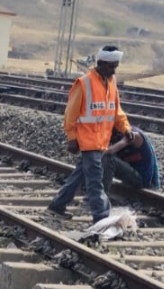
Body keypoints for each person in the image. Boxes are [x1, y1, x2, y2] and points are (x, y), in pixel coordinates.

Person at [48, 45, 131, 222]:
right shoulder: (84, 83)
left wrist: (126, 128)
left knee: (79, 175)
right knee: (95, 181)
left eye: (116, 66)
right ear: (100, 64)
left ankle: (57, 205)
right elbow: (70, 114)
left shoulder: (111, 82)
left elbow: (116, 111)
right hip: (88, 141)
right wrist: (72, 137)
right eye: (111, 66)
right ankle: (101, 217)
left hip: (102, 141)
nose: (114, 70)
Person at [102, 127, 160, 195]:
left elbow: (110, 151)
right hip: (132, 173)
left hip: (141, 179)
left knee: (109, 159)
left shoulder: (134, 136)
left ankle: (102, 195)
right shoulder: (117, 136)